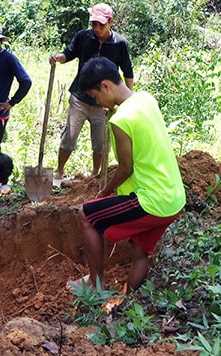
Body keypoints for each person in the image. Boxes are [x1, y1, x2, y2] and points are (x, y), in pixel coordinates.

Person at [67, 56, 185, 294]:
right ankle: (129, 304)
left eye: (96, 96)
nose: (98, 103)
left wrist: (106, 191)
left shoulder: (121, 120)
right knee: (139, 252)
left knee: (86, 215)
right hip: (175, 199)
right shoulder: (145, 98)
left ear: (105, 86)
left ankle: (95, 281)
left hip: (151, 200)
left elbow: (125, 168)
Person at [49, 3, 133, 182]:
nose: (96, 28)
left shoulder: (119, 43)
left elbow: (128, 71)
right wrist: (58, 58)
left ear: (111, 22)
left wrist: (128, 102)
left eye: (101, 24)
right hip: (80, 98)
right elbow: (69, 54)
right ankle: (59, 172)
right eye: (93, 23)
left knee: (100, 144)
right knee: (69, 138)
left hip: (103, 104)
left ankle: (95, 175)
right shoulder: (83, 37)